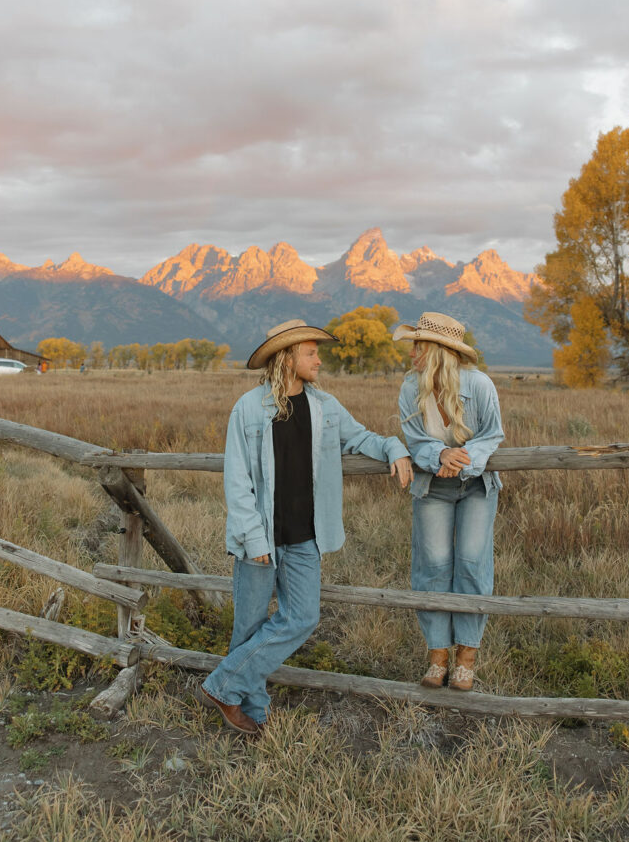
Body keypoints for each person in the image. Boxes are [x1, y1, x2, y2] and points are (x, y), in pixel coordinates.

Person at [198, 319, 413, 735]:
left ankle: (222, 686)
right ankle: (255, 713)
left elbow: (362, 438)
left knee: (302, 617)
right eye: (311, 352)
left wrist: (395, 448)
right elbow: (237, 480)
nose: (319, 360)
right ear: (288, 356)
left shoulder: (325, 406)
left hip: (305, 537)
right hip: (260, 538)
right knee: (249, 626)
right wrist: (253, 537)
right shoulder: (248, 408)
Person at [394, 312, 504, 691]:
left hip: (476, 486)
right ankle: (437, 656)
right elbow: (413, 439)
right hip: (432, 488)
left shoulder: (480, 384)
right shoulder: (410, 388)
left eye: (418, 346)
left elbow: (493, 434)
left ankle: (466, 659)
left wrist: (464, 458)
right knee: (433, 567)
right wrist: (440, 455)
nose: (411, 353)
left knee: (472, 564)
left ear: (438, 350)